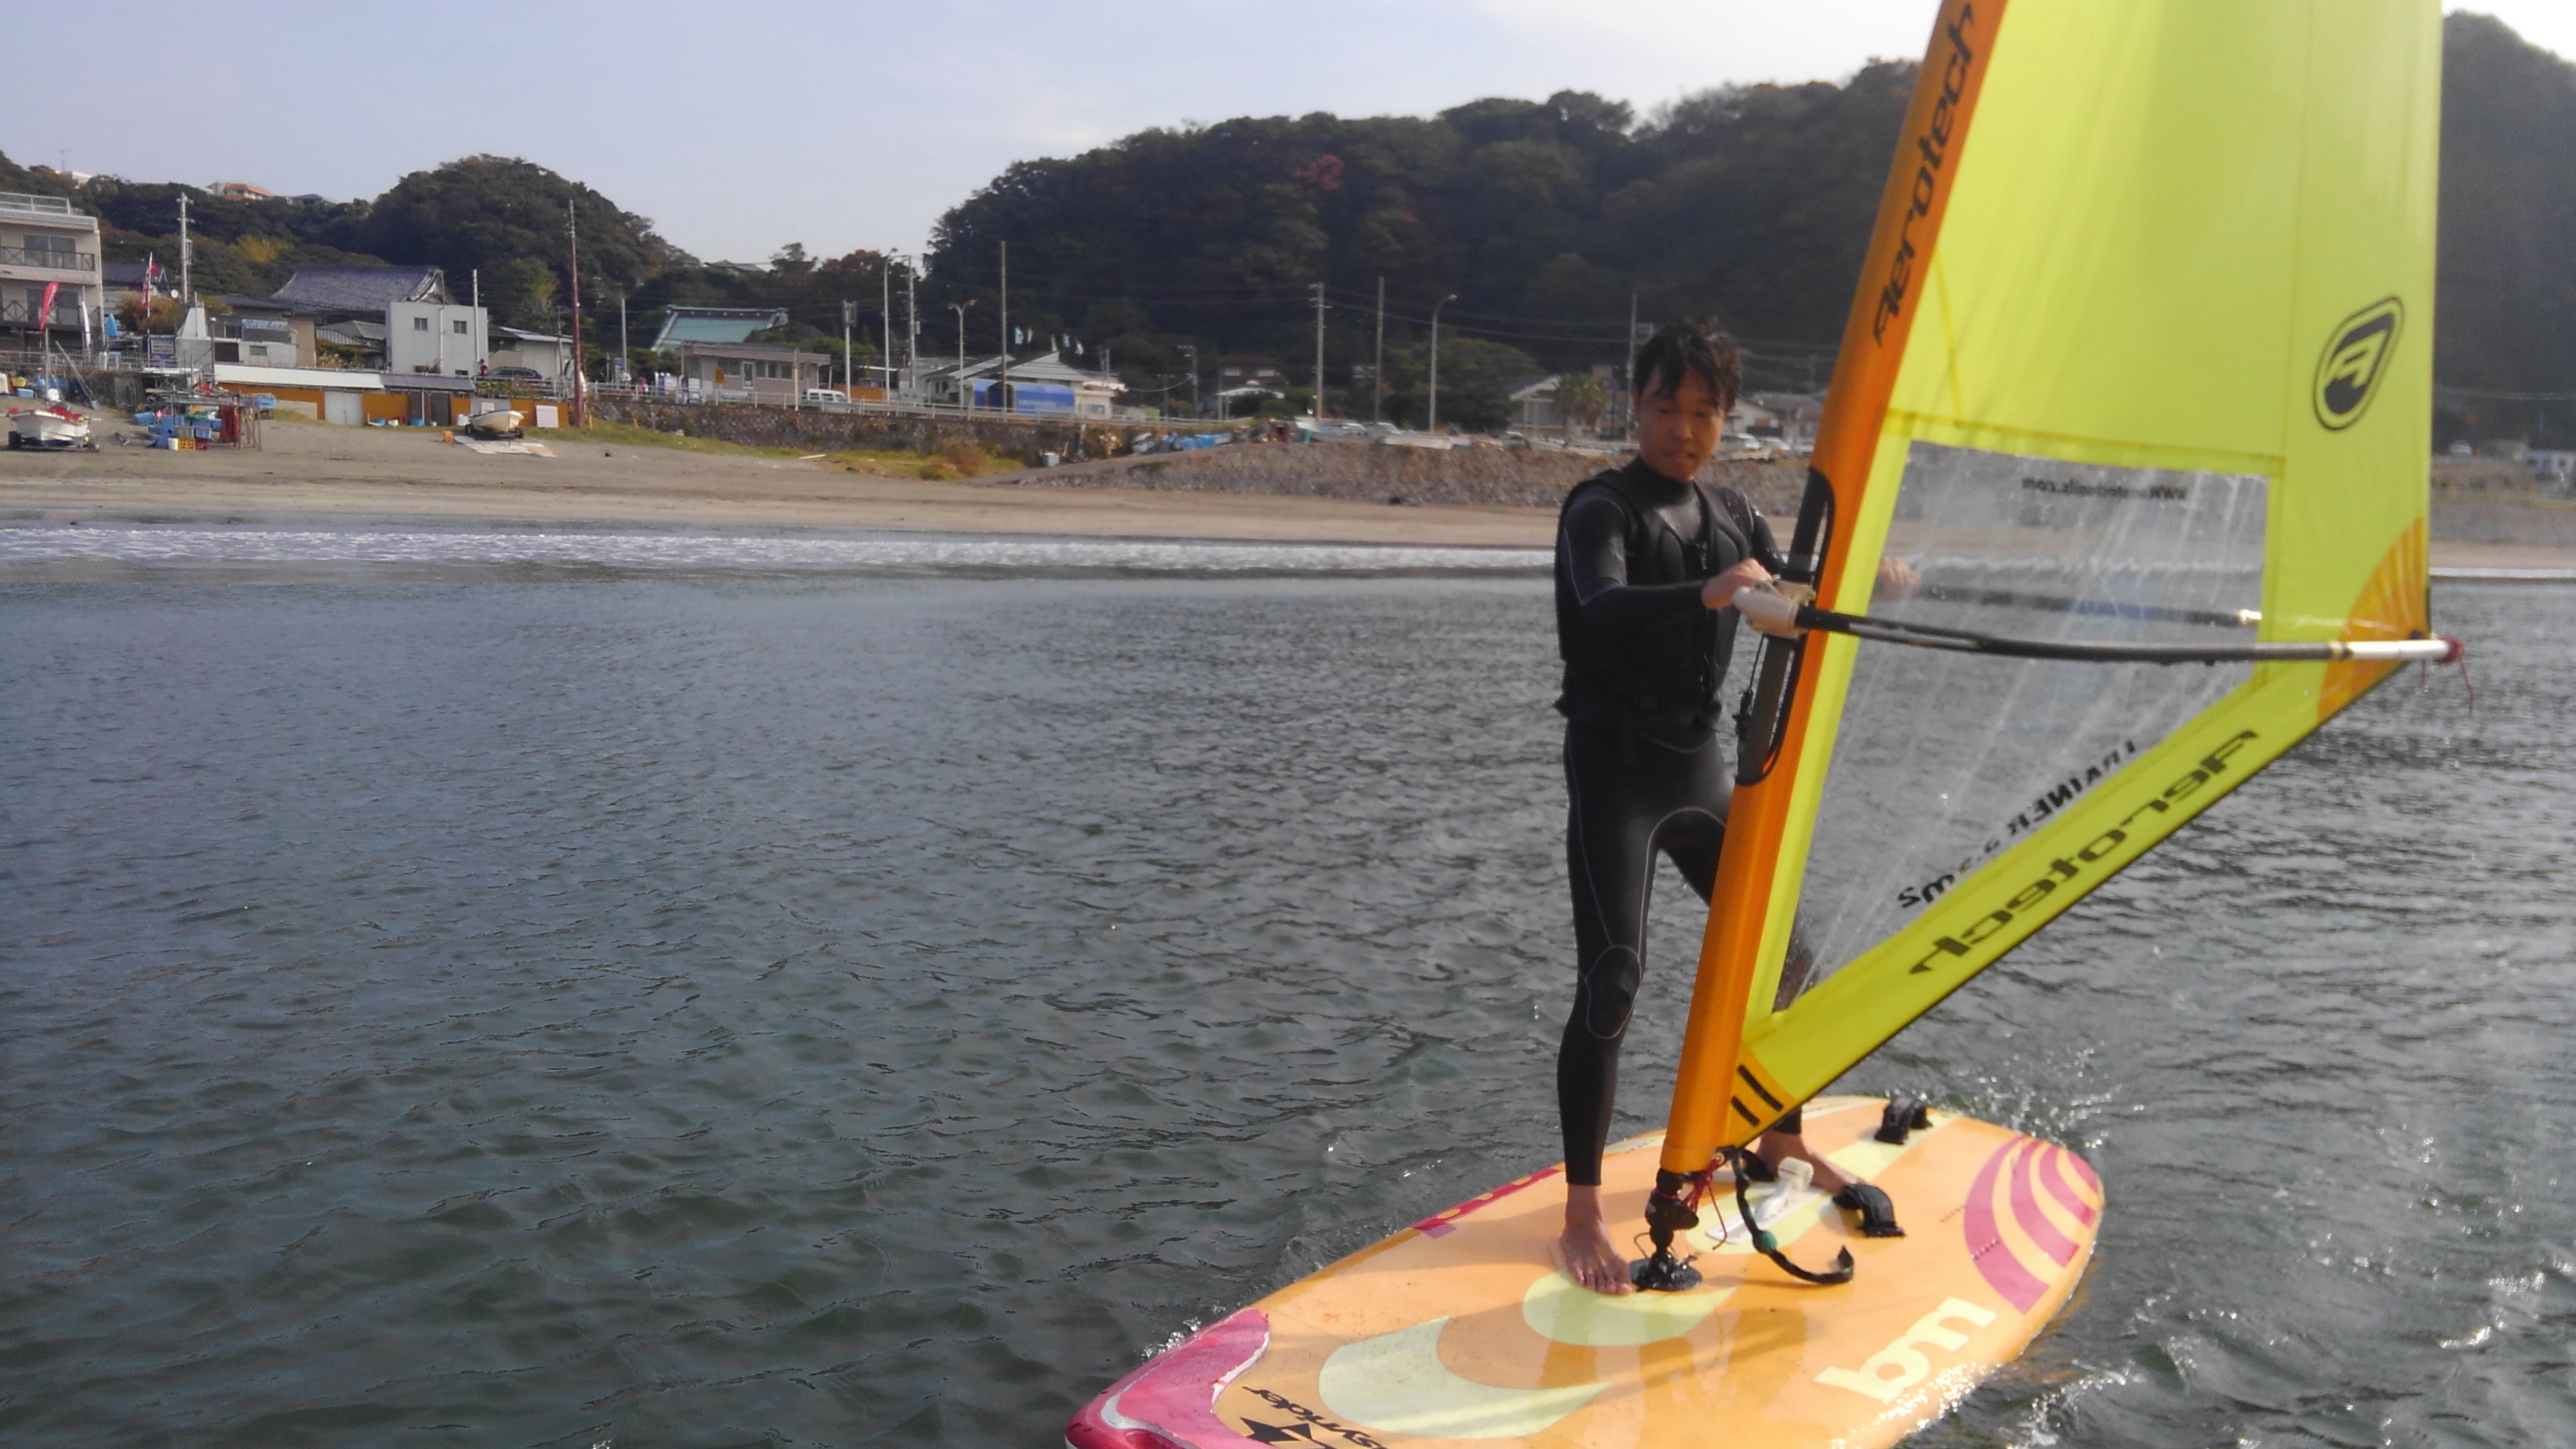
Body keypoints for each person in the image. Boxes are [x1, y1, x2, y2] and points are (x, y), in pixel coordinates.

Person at [1548, 319, 1901, 1295]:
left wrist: (1864, 582)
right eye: (1667, 407)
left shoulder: (1733, 511)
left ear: (1726, 418)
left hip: (1702, 770)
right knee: (1615, 978)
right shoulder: (1600, 509)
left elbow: (1790, 588)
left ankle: (1775, 1141)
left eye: (1704, 412)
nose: (1684, 429)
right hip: (1618, 775)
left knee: (1789, 957)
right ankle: (1581, 1213)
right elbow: (1601, 603)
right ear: (1636, 405)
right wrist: (1706, 593)